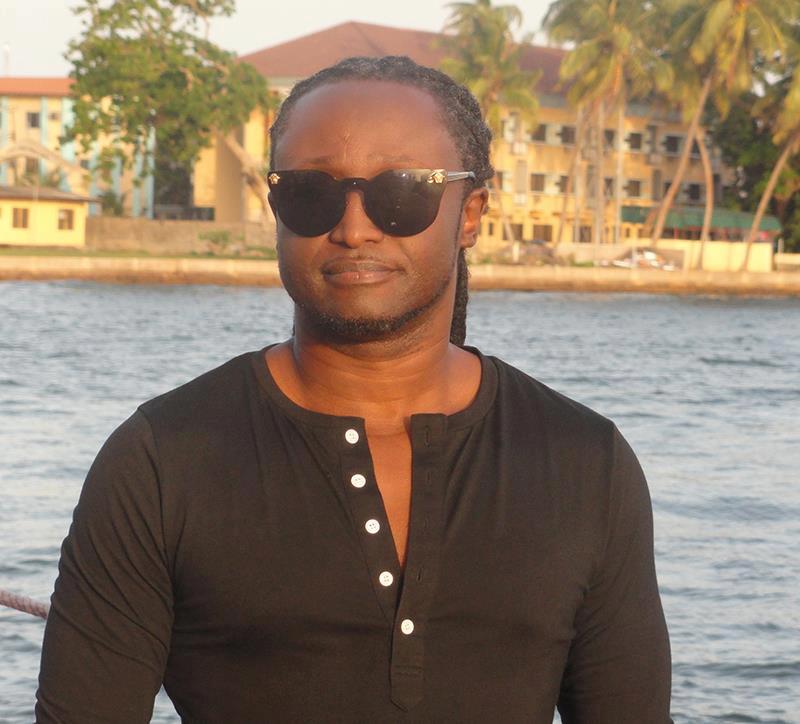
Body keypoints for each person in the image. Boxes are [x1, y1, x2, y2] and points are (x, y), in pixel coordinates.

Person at [36, 56, 672, 723]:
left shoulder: (585, 463)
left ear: (470, 214)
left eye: (402, 192)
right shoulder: (162, 461)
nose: (354, 228)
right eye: (310, 192)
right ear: (276, 208)